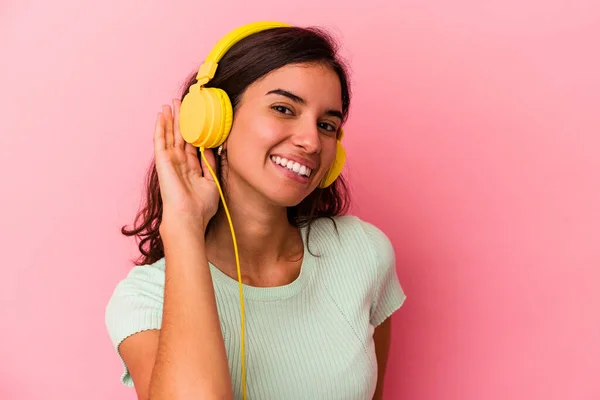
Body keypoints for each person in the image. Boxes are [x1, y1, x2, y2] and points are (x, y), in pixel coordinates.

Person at [105, 21, 406, 400]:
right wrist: (182, 226)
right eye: (283, 108)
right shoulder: (146, 299)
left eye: (327, 125)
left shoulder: (362, 252)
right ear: (216, 122)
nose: (311, 141)